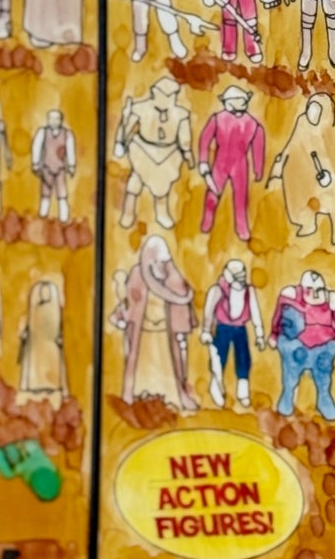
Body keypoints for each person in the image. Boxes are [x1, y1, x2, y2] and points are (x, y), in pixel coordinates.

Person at [268, 92, 335, 247]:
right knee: (304, 196)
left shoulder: (331, 129)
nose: (312, 115)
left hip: (330, 174)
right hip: (309, 174)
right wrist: (277, 172)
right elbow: (290, 148)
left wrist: (333, 176)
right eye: (310, 110)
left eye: (316, 111)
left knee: (331, 201)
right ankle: (308, 223)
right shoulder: (302, 124)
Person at [111, 235, 195, 407]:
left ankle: (170, 397)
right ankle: (138, 395)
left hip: (164, 334)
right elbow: (131, 301)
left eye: (162, 262)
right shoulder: (138, 273)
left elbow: (181, 300)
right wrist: (125, 316)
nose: (159, 265)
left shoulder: (172, 277)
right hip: (143, 333)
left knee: (167, 365)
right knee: (142, 364)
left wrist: (181, 327)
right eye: (156, 261)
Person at [114, 74, 195, 229]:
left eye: (170, 95)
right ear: (155, 93)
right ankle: (128, 212)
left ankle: (162, 213)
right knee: (135, 181)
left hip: (168, 153)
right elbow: (128, 126)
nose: (167, 98)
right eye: (163, 94)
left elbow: (184, 136)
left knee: (162, 185)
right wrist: (121, 142)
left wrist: (187, 152)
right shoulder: (141, 109)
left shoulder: (180, 114)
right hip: (143, 149)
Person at [271, 269, 335, 420]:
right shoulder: (290, 296)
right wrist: (274, 335)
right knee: (291, 374)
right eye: (310, 290)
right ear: (302, 289)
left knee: (323, 377)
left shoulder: (333, 301)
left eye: (319, 290)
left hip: (323, 347)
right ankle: (287, 397)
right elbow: (278, 317)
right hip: (297, 345)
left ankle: (324, 400)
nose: (315, 294)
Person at [198, 86, 265, 243]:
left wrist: (258, 168)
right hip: (220, 163)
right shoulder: (217, 119)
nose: (239, 103)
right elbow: (205, 140)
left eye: (241, 100)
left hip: (240, 165)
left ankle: (242, 227)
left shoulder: (252, 123)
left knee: (241, 198)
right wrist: (203, 161)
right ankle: (207, 221)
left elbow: (258, 146)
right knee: (212, 194)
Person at [201, 259, 265, 410]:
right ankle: (216, 386)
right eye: (237, 277)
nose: (240, 281)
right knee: (218, 359)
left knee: (243, 359)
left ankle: (243, 392)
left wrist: (260, 334)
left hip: (240, 329)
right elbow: (209, 311)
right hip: (223, 328)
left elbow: (255, 311)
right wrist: (206, 330)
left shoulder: (249, 291)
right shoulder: (218, 290)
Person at [18, 278, 68, 400]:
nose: (45, 295)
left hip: (51, 345)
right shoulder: (34, 309)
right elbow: (29, 325)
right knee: (36, 364)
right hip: (36, 345)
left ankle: (52, 386)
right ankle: (35, 385)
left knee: (52, 365)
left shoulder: (55, 309)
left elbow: (59, 327)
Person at [31, 109, 77, 223]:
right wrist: (35, 163)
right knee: (45, 193)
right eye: (52, 119)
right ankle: (43, 215)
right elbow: (36, 147)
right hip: (46, 168)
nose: (54, 121)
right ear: (48, 120)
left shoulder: (67, 134)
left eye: (57, 119)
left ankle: (64, 218)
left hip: (60, 169)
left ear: (61, 120)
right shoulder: (42, 132)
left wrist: (72, 166)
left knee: (62, 193)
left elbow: (70, 150)